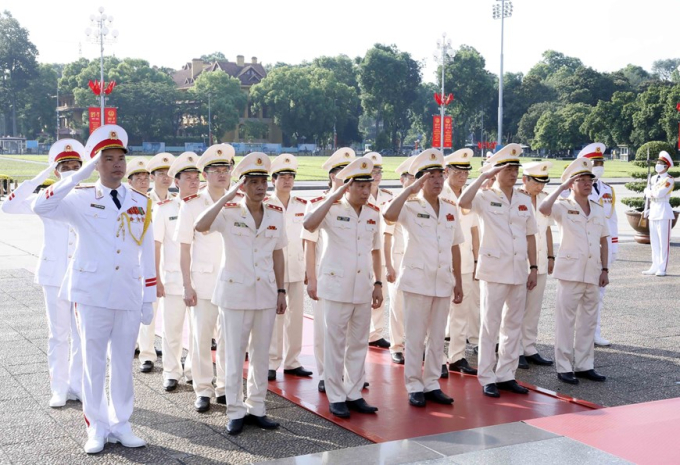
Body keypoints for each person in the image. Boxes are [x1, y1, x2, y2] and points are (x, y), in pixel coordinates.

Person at [32, 125, 155, 454]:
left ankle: (122, 423)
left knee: (122, 365)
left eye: (120, 159)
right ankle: (97, 426)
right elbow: (40, 207)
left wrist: (148, 297)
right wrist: (75, 176)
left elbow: (148, 253)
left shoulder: (141, 201)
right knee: (93, 362)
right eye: (108, 159)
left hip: (128, 292)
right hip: (91, 293)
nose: (117, 164)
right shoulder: (80, 197)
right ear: (95, 165)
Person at [195, 152, 287, 436]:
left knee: (261, 355)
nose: (260, 187)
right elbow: (201, 225)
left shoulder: (275, 213)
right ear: (242, 185)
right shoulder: (229, 212)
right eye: (254, 182)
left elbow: (278, 253)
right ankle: (235, 410)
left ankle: (257, 407)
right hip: (235, 294)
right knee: (233, 354)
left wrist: (281, 290)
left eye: (263, 181)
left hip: (265, 293)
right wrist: (226, 197)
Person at [2, 139, 84, 408]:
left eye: (76, 166)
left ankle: (77, 385)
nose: (71, 170)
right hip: (53, 274)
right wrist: (42, 175)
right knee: (58, 334)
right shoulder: (44, 198)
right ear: (57, 170)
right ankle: (58, 387)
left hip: (82, 275)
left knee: (82, 336)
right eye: (65, 167)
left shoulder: (88, 196)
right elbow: (9, 206)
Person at [303, 157, 382, 418]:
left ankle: (354, 392)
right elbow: (309, 225)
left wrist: (378, 283)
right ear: (347, 187)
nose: (365, 190)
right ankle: (336, 396)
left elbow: (375, 250)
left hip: (362, 287)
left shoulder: (373, 212)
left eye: (367, 185)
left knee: (359, 343)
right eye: (359, 186)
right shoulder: (330, 209)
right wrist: (334, 195)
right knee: (335, 344)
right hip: (336, 287)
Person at [384, 149, 464, 407]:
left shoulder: (450, 208)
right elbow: (388, 215)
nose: (439, 181)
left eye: (441, 175)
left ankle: (431, 383)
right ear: (420, 180)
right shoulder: (409, 206)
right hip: (417, 281)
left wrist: (459, 282)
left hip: (442, 280)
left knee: (438, 336)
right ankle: (413, 385)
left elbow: (455, 246)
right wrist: (410, 189)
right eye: (432, 176)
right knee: (415, 336)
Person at [459, 144, 538, 398]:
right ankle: (487, 376)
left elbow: (530, 236)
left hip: (518, 269)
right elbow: (462, 202)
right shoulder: (484, 196)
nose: (513, 173)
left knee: (513, 324)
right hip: (494, 269)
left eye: (516, 168)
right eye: (508, 168)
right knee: (489, 325)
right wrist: (483, 176)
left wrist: (534, 267)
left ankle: (506, 374)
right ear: (497, 171)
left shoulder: (524, 199)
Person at [538, 158, 609, 385]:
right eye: (581, 180)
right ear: (572, 183)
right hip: (570, 272)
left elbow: (604, 240)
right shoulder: (563, 206)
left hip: (592, 271)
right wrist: (560, 187)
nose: (587, 183)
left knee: (588, 320)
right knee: (565, 321)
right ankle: (565, 367)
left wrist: (605, 269)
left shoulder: (597, 208)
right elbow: (543, 208)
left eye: (589, 179)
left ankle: (585, 364)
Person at [175, 144, 232, 412]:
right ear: (205, 174)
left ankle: (224, 387)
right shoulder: (192, 205)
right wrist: (187, 284)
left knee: (229, 339)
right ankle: (203, 389)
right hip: (204, 282)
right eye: (216, 170)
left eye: (226, 169)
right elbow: (184, 248)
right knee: (200, 339)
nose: (222, 174)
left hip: (232, 282)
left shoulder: (238, 202)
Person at [303, 148, 356, 392]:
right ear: (331, 176)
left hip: (353, 278)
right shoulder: (316, 204)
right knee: (324, 330)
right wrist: (311, 278)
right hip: (327, 276)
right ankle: (325, 373)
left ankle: (348, 374)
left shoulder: (359, 205)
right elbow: (309, 244)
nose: (346, 179)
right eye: (341, 174)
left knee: (351, 331)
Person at [155, 152, 200, 391]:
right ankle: (171, 372)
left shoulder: (206, 206)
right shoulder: (165, 209)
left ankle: (194, 371)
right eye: (188, 177)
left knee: (198, 332)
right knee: (172, 330)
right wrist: (157, 279)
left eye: (196, 177)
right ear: (176, 181)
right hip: (172, 280)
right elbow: (156, 245)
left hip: (201, 279)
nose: (194, 182)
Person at [266, 154, 312, 381]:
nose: (287, 180)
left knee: (296, 318)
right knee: (276, 317)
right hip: (274, 270)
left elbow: (305, 237)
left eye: (291, 176)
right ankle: (272, 362)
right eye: (282, 176)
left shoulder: (302, 205)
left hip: (296, 266)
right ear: (273, 179)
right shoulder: (266, 205)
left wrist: (307, 266)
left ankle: (292, 361)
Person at [441, 148, 479, 377]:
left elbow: (474, 230)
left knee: (461, 313)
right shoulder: (438, 193)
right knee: (437, 314)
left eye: (466, 172)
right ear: (447, 171)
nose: (462, 176)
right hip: (442, 262)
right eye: (458, 171)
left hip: (464, 262)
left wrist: (476, 259)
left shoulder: (469, 196)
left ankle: (457, 356)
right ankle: (435, 357)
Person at [517, 161, 555, 370]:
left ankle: (529, 347)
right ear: (525, 180)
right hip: (520, 262)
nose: (540, 187)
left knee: (534, 308)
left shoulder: (544, 200)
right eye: (536, 183)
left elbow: (547, 229)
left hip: (539, 261)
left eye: (543, 183)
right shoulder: (515, 198)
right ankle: (515, 350)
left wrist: (551, 256)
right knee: (516, 308)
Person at [577, 143, 616, 347]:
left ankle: (595, 332)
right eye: (595, 163)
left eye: (601, 162)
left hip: (603, 248)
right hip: (583, 250)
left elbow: (612, 221)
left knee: (598, 295)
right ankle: (580, 333)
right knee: (579, 295)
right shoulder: (574, 190)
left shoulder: (608, 190)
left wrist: (613, 248)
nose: (598, 166)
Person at [123, 157, 159, 374]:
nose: (144, 181)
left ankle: (148, 350)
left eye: (146, 177)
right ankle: (140, 348)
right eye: (139, 177)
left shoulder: (157, 201)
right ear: (130, 181)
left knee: (150, 309)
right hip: (133, 267)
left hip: (155, 264)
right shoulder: (128, 202)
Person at [384, 158, 415, 365]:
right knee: (397, 307)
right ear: (402, 179)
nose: (414, 182)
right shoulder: (394, 204)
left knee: (416, 309)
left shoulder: (423, 203)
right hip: (398, 260)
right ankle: (396, 346)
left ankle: (413, 346)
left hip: (417, 263)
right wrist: (388, 265)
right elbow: (386, 237)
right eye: (411, 177)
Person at [365, 151, 392, 349]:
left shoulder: (388, 196)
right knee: (363, 294)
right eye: (373, 171)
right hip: (365, 251)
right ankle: (363, 332)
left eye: (379, 171)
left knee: (380, 293)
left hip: (383, 250)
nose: (377, 175)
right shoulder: (360, 196)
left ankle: (376, 333)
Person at [643, 150, 675, 277]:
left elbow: (659, 194)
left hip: (663, 211)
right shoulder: (654, 178)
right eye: (657, 162)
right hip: (654, 210)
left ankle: (662, 267)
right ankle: (654, 265)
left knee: (663, 243)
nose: (658, 165)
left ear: (666, 166)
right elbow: (652, 196)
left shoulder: (669, 179)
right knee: (654, 242)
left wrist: (647, 192)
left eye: (660, 163)